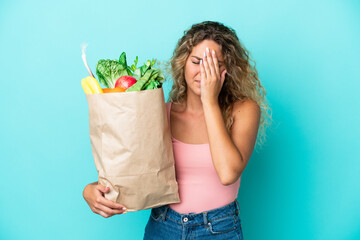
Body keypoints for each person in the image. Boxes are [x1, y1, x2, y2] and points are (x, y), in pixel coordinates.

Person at [83, 20, 272, 240]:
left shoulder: (244, 110)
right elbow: (131, 170)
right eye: (197, 61)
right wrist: (91, 190)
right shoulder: (160, 114)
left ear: (227, 70)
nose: (204, 71)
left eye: (214, 63)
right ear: (183, 63)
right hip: (164, 226)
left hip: (219, 229)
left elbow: (228, 173)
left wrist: (210, 101)